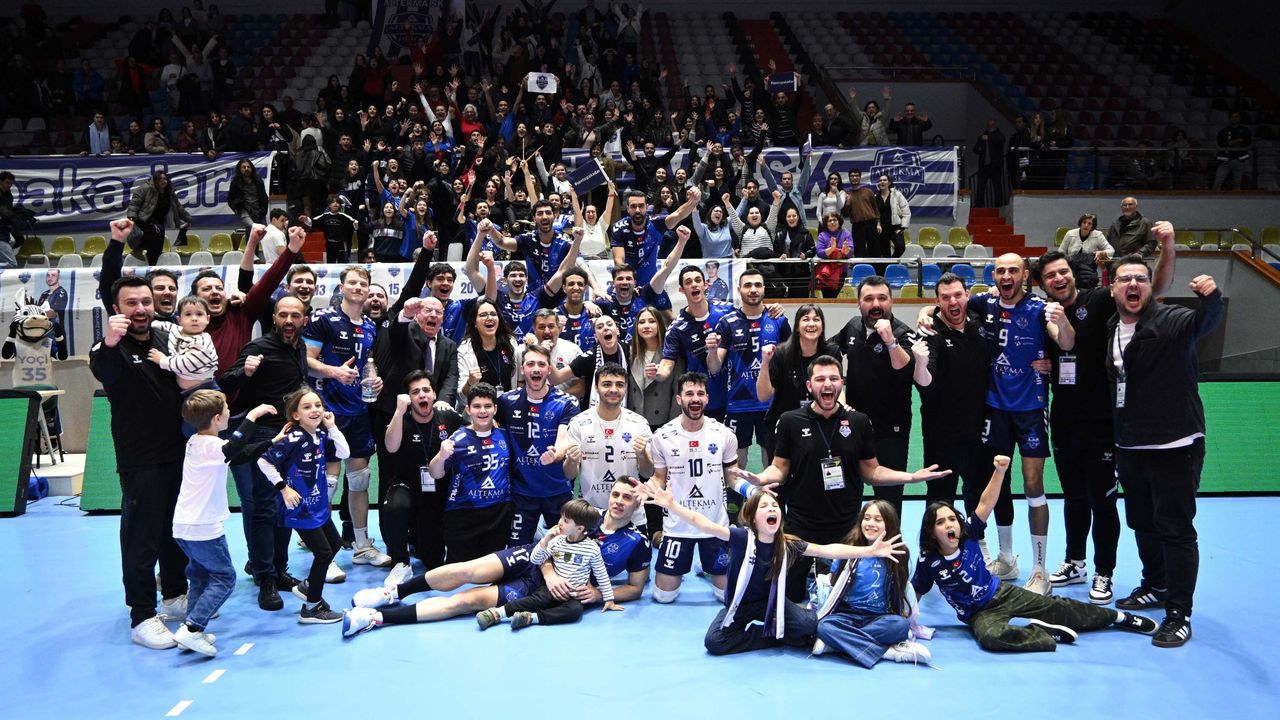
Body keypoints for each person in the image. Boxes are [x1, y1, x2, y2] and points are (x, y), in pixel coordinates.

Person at [733, 355, 948, 602]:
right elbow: (779, 468)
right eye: (820, 379)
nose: (827, 384)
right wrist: (760, 478)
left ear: (841, 384)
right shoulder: (791, 421)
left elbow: (871, 471)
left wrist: (910, 477)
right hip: (801, 524)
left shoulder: (859, 422)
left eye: (833, 378)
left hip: (847, 526)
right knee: (789, 596)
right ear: (809, 386)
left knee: (846, 596)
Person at [1037, 228, 1177, 604]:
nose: (1058, 278)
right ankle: (1075, 561)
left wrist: (1168, 247)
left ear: (1073, 274)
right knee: (1073, 497)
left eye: (1063, 271)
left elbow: (1153, 291)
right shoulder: (1043, 314)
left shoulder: (1100, 300)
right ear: (1043, 284)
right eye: (1050, 276)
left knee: (1102, 501)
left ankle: (1104, 572)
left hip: (1102, 423)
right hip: (1064, 421)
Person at [921, 253, 1075, 595]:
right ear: (994, 276)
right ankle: (1006, 557)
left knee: (1033, 485)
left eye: (1013, 270)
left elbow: (1065, 341)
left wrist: (1062, 322)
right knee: (997, 482)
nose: (1006, 275)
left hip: (1031, 408)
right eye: (1001, 270)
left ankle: (1040, 569)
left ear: (1025, 275)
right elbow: (948, 303)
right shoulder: (983, 303)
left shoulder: (1039, 308)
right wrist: (925, 312)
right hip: (994, 410)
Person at [342, 477, 651, 635]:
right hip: (534, 560)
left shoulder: (636, 541)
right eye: (616, 494)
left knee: (465, 602)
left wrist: (599, 594)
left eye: (628, 497)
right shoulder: (586, 514)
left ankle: (376, 619)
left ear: (638, 503)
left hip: (545, 591)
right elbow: (548, 541)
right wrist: (549, 571)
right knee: (467, 570)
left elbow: (635, 588)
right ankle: (392, 593)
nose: (619, 501)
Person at [913, 455, 1158, 652]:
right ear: (932, 532)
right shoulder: (929, 560)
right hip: (978, 614)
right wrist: (906, 621)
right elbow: (916, 591)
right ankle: (1042, 632)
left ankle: (1118, 618)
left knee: (1058, 608)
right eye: (940, 522)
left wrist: (999, 471)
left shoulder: (969, 532)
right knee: (991, 637)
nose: (949, 525)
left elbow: (986, 503)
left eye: (952, 519)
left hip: (1001, 593)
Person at [642, 482, 905, 656]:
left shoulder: (788, 544)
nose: (772, 509)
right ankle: (773, 636)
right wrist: (672, 505)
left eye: (775, 506)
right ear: (752, 516)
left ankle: (783, 631)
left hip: (773, 603)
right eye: (764, 506)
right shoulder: (741, 538)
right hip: (741, 605)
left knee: (808, 625)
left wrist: (870, 551)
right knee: (715, 642)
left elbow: (827, 550)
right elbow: (703, 523)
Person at [1106, 254, 1222, 647]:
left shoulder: (1171, 320)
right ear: (1113, 288)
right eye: (1125, 279)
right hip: (1130, 446)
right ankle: (1155, 584)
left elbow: (1204, 323)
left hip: (1175, 445)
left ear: (1150, 286)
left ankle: (1179, 613)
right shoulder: (1112, 328)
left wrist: (1211, 299)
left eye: (1141, 278)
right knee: (1142, 522)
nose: (1133, 284)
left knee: (1175, 530)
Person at [90, 239, 188, 649]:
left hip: (177, 453)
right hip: (141, 460)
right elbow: (103, 368)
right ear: (116, 309)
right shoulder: (108, 349)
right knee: (141, 538)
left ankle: (175, 595)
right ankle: (142, 616)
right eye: (131, 303)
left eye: (146, 301)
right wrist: (116, 244)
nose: (141, 309)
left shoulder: (164, 342)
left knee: (174, 531)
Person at [218, 294, 310, 608]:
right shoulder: (259, 347)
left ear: (303, 320)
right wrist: (244, 371)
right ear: (274, 318)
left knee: (286, 507)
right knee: (264, 508)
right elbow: (224, 382)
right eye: (283, 315)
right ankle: (265, 578)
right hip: (265, 438)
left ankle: (279, 570)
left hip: (292, 437)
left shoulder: (299, 347)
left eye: (295, 315)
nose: (289, 321)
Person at [172, 393, 281, 656]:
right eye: (227, 409)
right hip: (204, 528)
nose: (230, 412)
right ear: (217, 419)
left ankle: (191, 628)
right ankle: (192, 629)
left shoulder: (196, 442)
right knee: (224, 578)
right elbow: (234, 447)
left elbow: (238, 454)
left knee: (199, 577)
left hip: (183, 527)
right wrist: (253, 416)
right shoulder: (213, 446)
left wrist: (272, 441)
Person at [303, 266, 390, 567]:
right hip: (328, 412)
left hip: (359, 411)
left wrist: (375, 381)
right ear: (341, 288)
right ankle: (324, 553)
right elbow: (306, 360)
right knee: (328, 481)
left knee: (360, 479)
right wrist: (334, 372)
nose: (358, 287)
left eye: (363, 283)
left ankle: (362, 546)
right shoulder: (323, 319)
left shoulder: (370, 327)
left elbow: (367, 365)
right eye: (352, 282)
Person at [257, 389, 349, 624]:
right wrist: (283, 488)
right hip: (299, 508)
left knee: (335, 544)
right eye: (307, 407)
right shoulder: (293, 438)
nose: (315, 410)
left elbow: (344, 452)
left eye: (318, 405)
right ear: (296, 415)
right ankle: (311, 608)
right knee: (323, 553)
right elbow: (263, 461)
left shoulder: (321, 435)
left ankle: (308, 586)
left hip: (317, 505)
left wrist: (332, 427)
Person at [647, 372, 740, 602]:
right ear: (679, 399)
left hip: (714, 525)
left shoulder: (724, 434)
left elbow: (733, 477)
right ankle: (696, 564)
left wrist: (754, 489)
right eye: (689, 393)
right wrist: (648, 489)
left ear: (707, 398)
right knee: (663, 596)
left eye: (700, 393)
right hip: (678, 525)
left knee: (727, 597)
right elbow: (659, 477)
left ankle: (704, 565)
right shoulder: (662, 436)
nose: (695, 398)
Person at [833, 276, 919, 515]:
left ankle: (891, 540)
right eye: (868, 299)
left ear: (892, 301)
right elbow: (828, 352)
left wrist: (890, 341)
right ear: (858, 303)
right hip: (852, 427)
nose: (876, 304)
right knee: (845, 493)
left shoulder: (903, 333)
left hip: (890, 430)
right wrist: (839, 393)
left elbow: (906, 369)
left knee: (889, 500)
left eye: (882, 298)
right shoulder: (853, 326)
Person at [811, 500, 931, 666]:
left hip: (880, 617)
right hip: (847, 615)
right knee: (824, 627)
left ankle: (837, 644)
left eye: (878, 519)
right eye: (866, 518)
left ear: (889, 524)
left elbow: (901, 587)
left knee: (900, 626)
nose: (870, 523)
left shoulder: (899, 552)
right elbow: (834, 582)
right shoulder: (849, 549)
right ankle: (888, 653)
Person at [912, 274, 991, 521]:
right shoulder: (929, 332)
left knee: (977, 491)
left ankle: (977, 540)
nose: (953, 302)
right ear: (937, 301)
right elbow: (925, 384)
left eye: (958, 295)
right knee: (940, 496)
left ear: (968, 295)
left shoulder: (978, 318)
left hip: (979, 428)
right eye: (945, 298)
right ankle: (933, 542)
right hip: (942, 434)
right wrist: (920, 364)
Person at [475, 499, 624, 630]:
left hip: (575, 595)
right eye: (561, 517)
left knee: (575, 612)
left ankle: (531, 618)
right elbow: (535, 560)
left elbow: (601, 574)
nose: (560, 522)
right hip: (552, 589)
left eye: (566, 521)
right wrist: (545, 540)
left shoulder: (592, 549)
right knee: (536, 600)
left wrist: (609, 599)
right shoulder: (556, 541)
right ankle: (497, 613)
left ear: (579, 529)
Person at [382, 371, 465, 579]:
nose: (422, 395)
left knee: (433, 559)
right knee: (394, 507)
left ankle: (417, 541)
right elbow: (391, 447)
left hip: (435, 491)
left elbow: (473, 429)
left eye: (426, 390)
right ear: (409, 398)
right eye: (415, 392)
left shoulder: (447, 417)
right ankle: (400, 562)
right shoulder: (401, 419)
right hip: (406, 486)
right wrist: (398, 412)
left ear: (434, 395)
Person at [498, 344, 582, 546]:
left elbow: (563, 438)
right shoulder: (506, 402)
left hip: (557, 491)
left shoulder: (566, 402)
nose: (536, 369)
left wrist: (556, 454)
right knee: (517, 551)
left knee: (563, 548)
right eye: (530, 364)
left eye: (541, 364)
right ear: (522, 369)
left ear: (549, 370)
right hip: (521, 492)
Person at [707, 267, 791, 466]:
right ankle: (737, 489)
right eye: (748, 285)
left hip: (770, 403)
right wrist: (712, 350)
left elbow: (790, 361)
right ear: (739, 290)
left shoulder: (778, 320)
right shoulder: (727, 322)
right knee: (736, 462)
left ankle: (771, 489)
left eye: (757, 285)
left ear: (764, 289)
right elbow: (714, 368)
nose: (753, 289)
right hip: (738, 403)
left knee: (772, 459)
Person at [559, 363, 653, 529]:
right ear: (596, 387)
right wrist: (572, 460)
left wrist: (643, 455)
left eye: (620, 384)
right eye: (607, 384)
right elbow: (569, 474)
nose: (614, 390)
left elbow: (647, 472)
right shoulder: (579, 423)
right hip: (591, 514)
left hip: (631, 514)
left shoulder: (639, 424)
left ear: (626, 388)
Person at [429, 383, 516, 561]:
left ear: (495, 409)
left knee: (491, 569)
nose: (482, 411)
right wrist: (441, 456)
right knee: (458, 571)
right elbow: (435, 473)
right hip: (463, 513)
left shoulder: (505, 436)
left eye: (487, 406)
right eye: (477, 406)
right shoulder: (458, 438)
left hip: (498, 513)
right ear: (468, 410)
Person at [756, 304, 838, 441]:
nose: (811, 324)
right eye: (806, 319)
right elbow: (763, 396)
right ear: (797, 327)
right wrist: (765, 362)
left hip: (821, 422)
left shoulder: (831, 351)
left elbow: (837, 388)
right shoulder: (781, 353)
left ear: (822, 327)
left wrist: (843, 408)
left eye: (816, 319)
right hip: (785, 424)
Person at [609, 188, 699, 288]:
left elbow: (678, 214)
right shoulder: (619, 228)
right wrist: (628, 284)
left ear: (647, 207)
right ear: (627, 208)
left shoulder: (656, 223)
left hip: (651, 285)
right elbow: (619, 261)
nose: (637, 210)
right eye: (633, 206)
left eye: (641, 206)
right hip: (627, 284)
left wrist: (693, 201)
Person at [148, 295, 218, 393]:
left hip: (205, 390)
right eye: (188, 314)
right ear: (179, 320)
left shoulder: (203, 342)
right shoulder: (178, 330)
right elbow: (165, 325)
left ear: (207, 319)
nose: (194, 318)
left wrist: (162, 360)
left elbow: (186, 364)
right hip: (187, 391)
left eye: (199, 314)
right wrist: (149, 323)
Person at [125, 170, 192, 264]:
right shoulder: (145, 188)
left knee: (156, 250)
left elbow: (178, 207)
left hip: (159, 223)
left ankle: (152, 267)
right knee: (152, 232)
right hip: (144, 219)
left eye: (165, 179)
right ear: (155, 180)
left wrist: (188, 218)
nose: (163, 181)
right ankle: (137, 250)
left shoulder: (169, 193)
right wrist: (131, 216)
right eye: (160, 179)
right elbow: (134, 203)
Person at [1058, 212, 1114, 290]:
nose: (1086, 225)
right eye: (1084, 222)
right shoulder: (1070, 234)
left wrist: (1102, 252)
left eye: (1089, 223)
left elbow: (1111, 250)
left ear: (1093, 226)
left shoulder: (1098, 235)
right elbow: (1060, 252)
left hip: (1089, 272)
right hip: (1072, 269)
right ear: (1080, 223)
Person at [840, 170, 878, 257]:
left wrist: (878, 223)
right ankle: (860, 266)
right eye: (852, 176)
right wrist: (847, 203)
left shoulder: (868, 192)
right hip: (857, 226)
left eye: (857, 176)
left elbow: (875, 209)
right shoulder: (847, 194)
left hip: (871, 223)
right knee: (859, 250)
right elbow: (845, 214)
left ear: (860, 177)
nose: (854, 178)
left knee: (874, 249)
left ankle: (875, 266)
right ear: (849, 178)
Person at [873, 174, 909, 259]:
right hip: (882, 230)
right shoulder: (875, 197)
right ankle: (888, 265)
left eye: (884, 180)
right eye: (880, 180)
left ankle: (892, 261)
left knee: (900, 247)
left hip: (895, 228)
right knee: (885, 253)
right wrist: (877, 224)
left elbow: (906, 211)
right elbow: (874, 214)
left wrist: (902, 227)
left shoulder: (897, 195)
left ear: (889, 183)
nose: (882, 182)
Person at [1212, 111, 1251, 190]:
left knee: (1237, 184)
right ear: (1229, 118)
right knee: (1218, 182)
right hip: (1224, 161)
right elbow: (1221, 143)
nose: (1235, 118)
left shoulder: (1245, 130)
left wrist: (1230, 143)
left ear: (1239, 118)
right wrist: (1236, 141)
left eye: (1236, 116)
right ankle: (1214, 196)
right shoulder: (1223, 131)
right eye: (1232, 117)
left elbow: (1247, 142)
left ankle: (1236, 198)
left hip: (1239, 160)